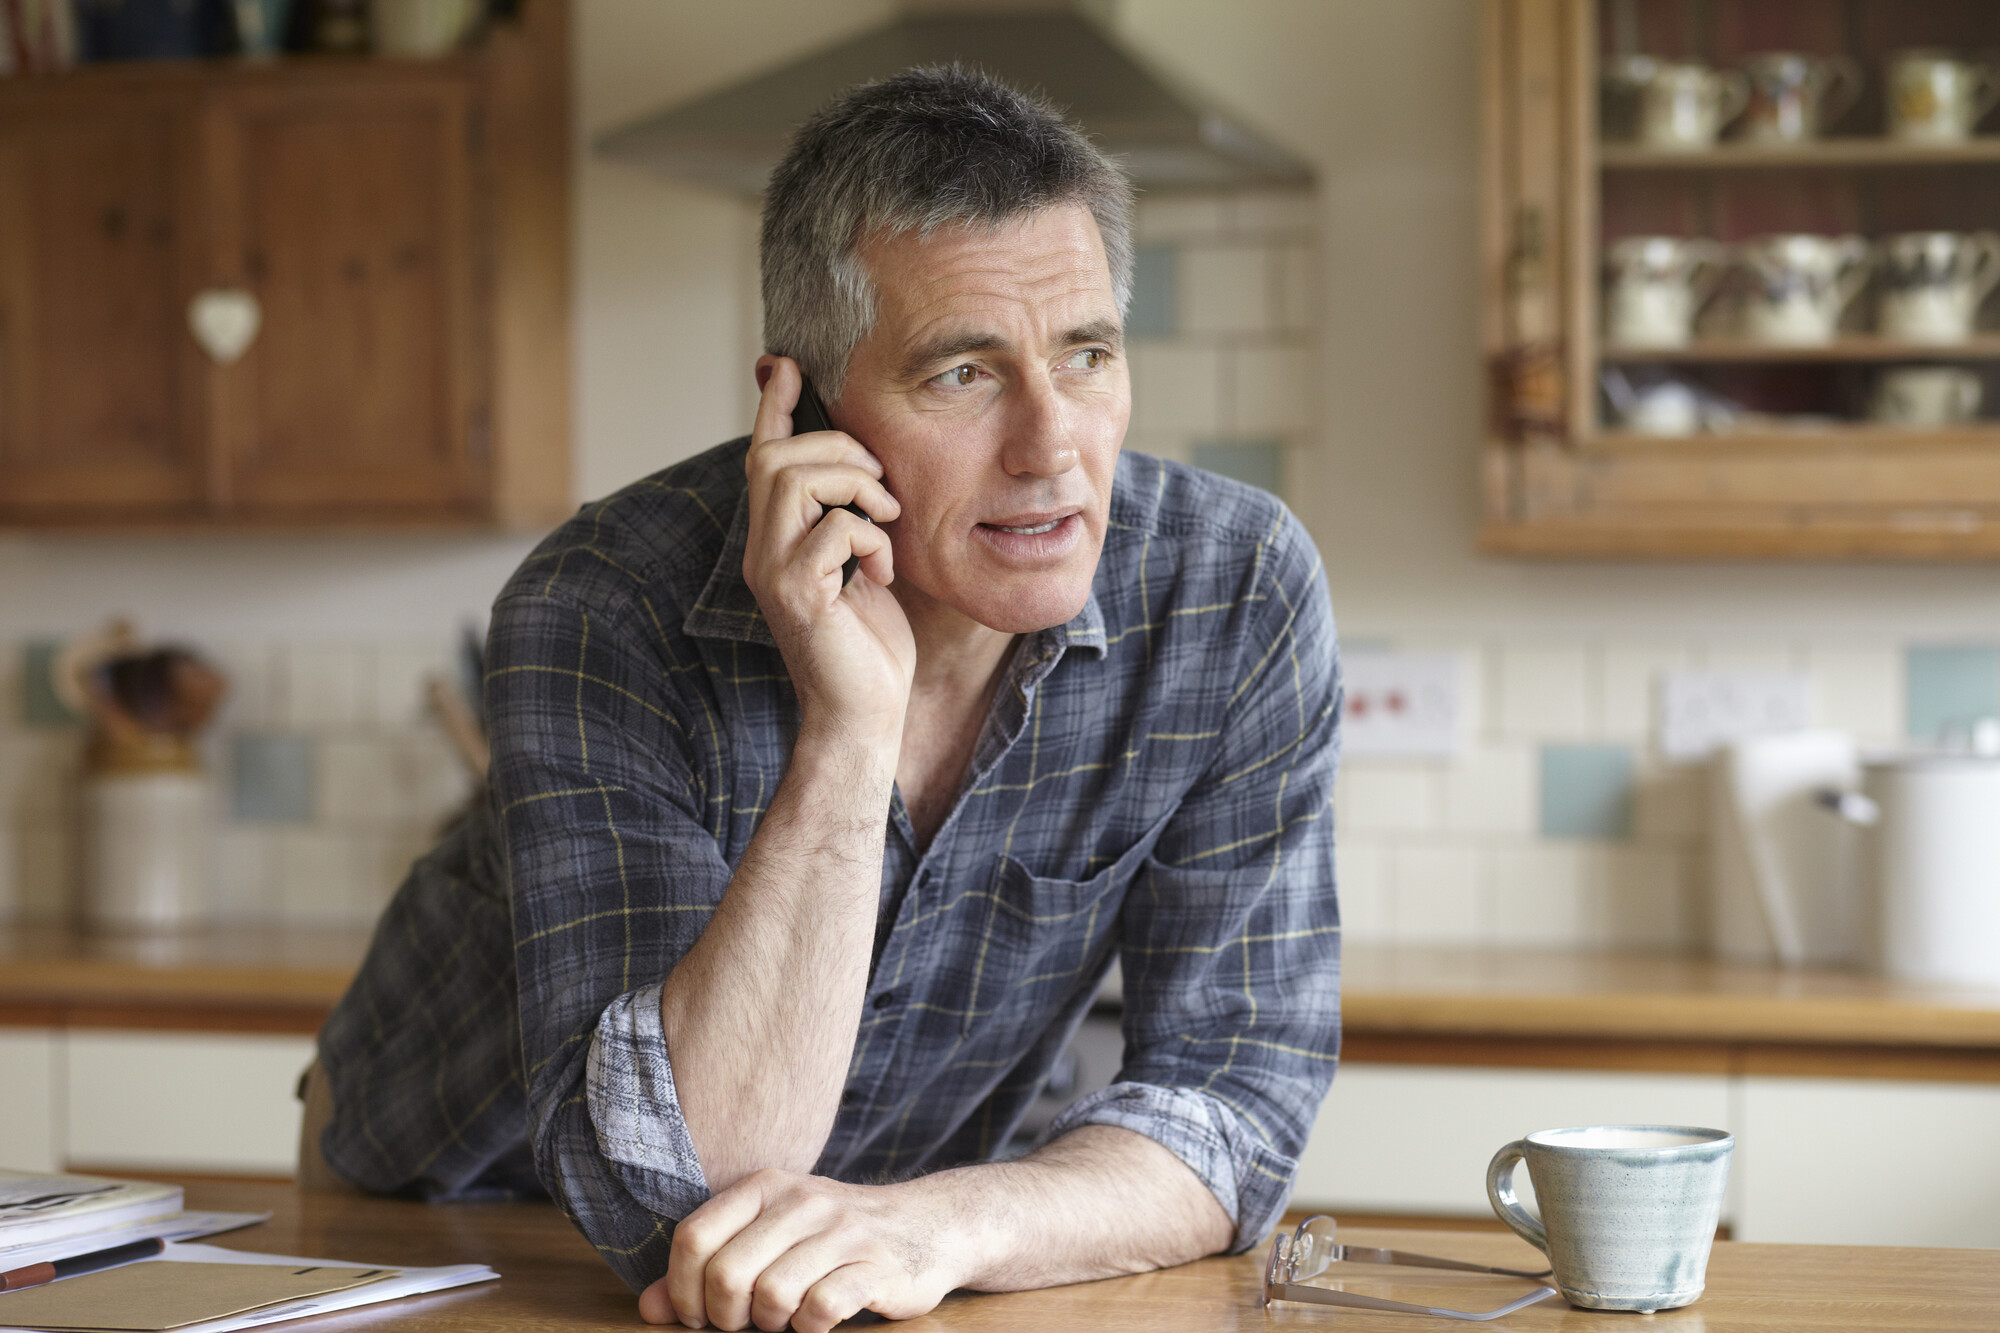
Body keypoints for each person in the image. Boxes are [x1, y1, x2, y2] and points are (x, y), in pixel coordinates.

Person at [313, 65, 1341, 1333]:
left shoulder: (1231, 590)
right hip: (456, 1229)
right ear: (800, 405)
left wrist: (946, 1222)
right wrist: (850, 727)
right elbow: (669, 1198)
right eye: (962, 374)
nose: (1050, 445)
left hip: (884, 1250)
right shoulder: (601, 605)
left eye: (1084, 354)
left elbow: (1237, 1101)